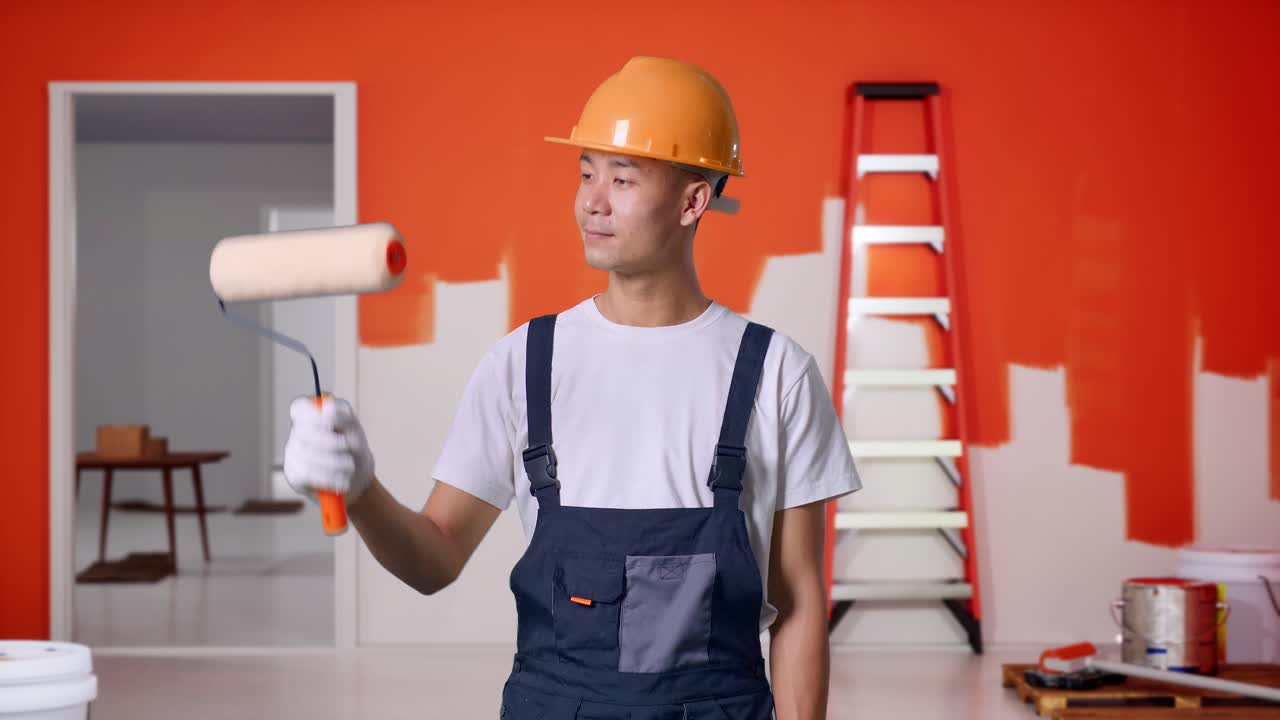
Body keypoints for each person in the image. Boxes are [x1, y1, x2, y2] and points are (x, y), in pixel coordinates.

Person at [284, 56, 860, 719]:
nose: (592, 200)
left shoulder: (777, 372)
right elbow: (434, 560)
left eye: (622, 178)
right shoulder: (524, 363)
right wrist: (360, 490)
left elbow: (799, 603)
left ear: (693, 200)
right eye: (586, 173)